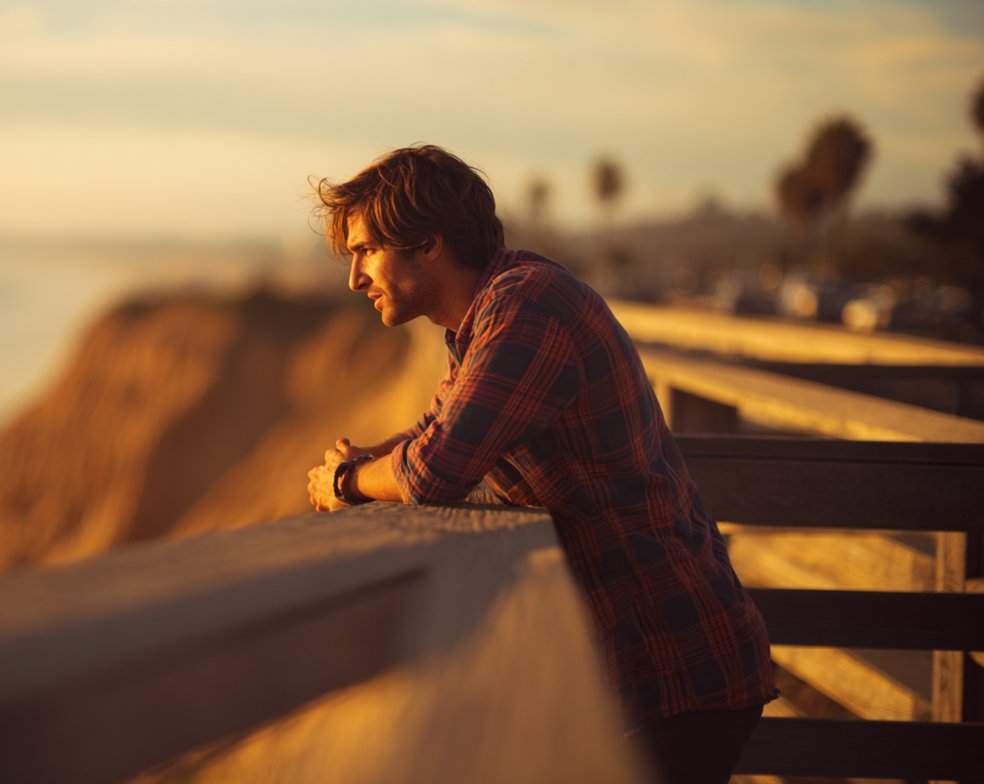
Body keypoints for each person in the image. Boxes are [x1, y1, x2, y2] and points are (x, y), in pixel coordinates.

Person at [305, 145, 776, 784]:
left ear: (429, 243)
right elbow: (436, 432)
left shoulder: (528, 306)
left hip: (676, 664)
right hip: (651, 666)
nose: (355, 278)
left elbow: (435, 467)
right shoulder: (487, 318)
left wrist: (346, 482)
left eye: (365, 252)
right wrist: (371, 458)